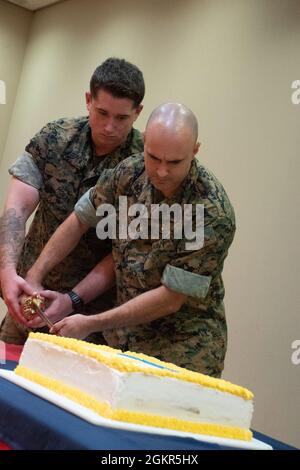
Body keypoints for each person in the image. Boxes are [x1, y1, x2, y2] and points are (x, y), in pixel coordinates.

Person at [23, 103, 236, 377]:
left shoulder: (210, 210)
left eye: (174, 162)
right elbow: (79, 220)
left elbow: (170, 298)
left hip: (183, 352)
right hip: (124, 341)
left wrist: (91, 322)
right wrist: (35, 276)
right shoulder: (129, 173)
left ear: (195, 150)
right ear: (144, 140)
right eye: (153, 157)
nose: (161, 171)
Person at [0, 57, 145, 344]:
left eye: (121, 118)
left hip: (87, 313)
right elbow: (18, 207)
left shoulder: (142, 165)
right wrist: (7, 271)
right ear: (88, 100)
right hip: (30, 291)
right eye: (102, 113)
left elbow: (123, 251)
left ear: (137, 112)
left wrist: (72, 300)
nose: (109, 127)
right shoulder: (55, 137)